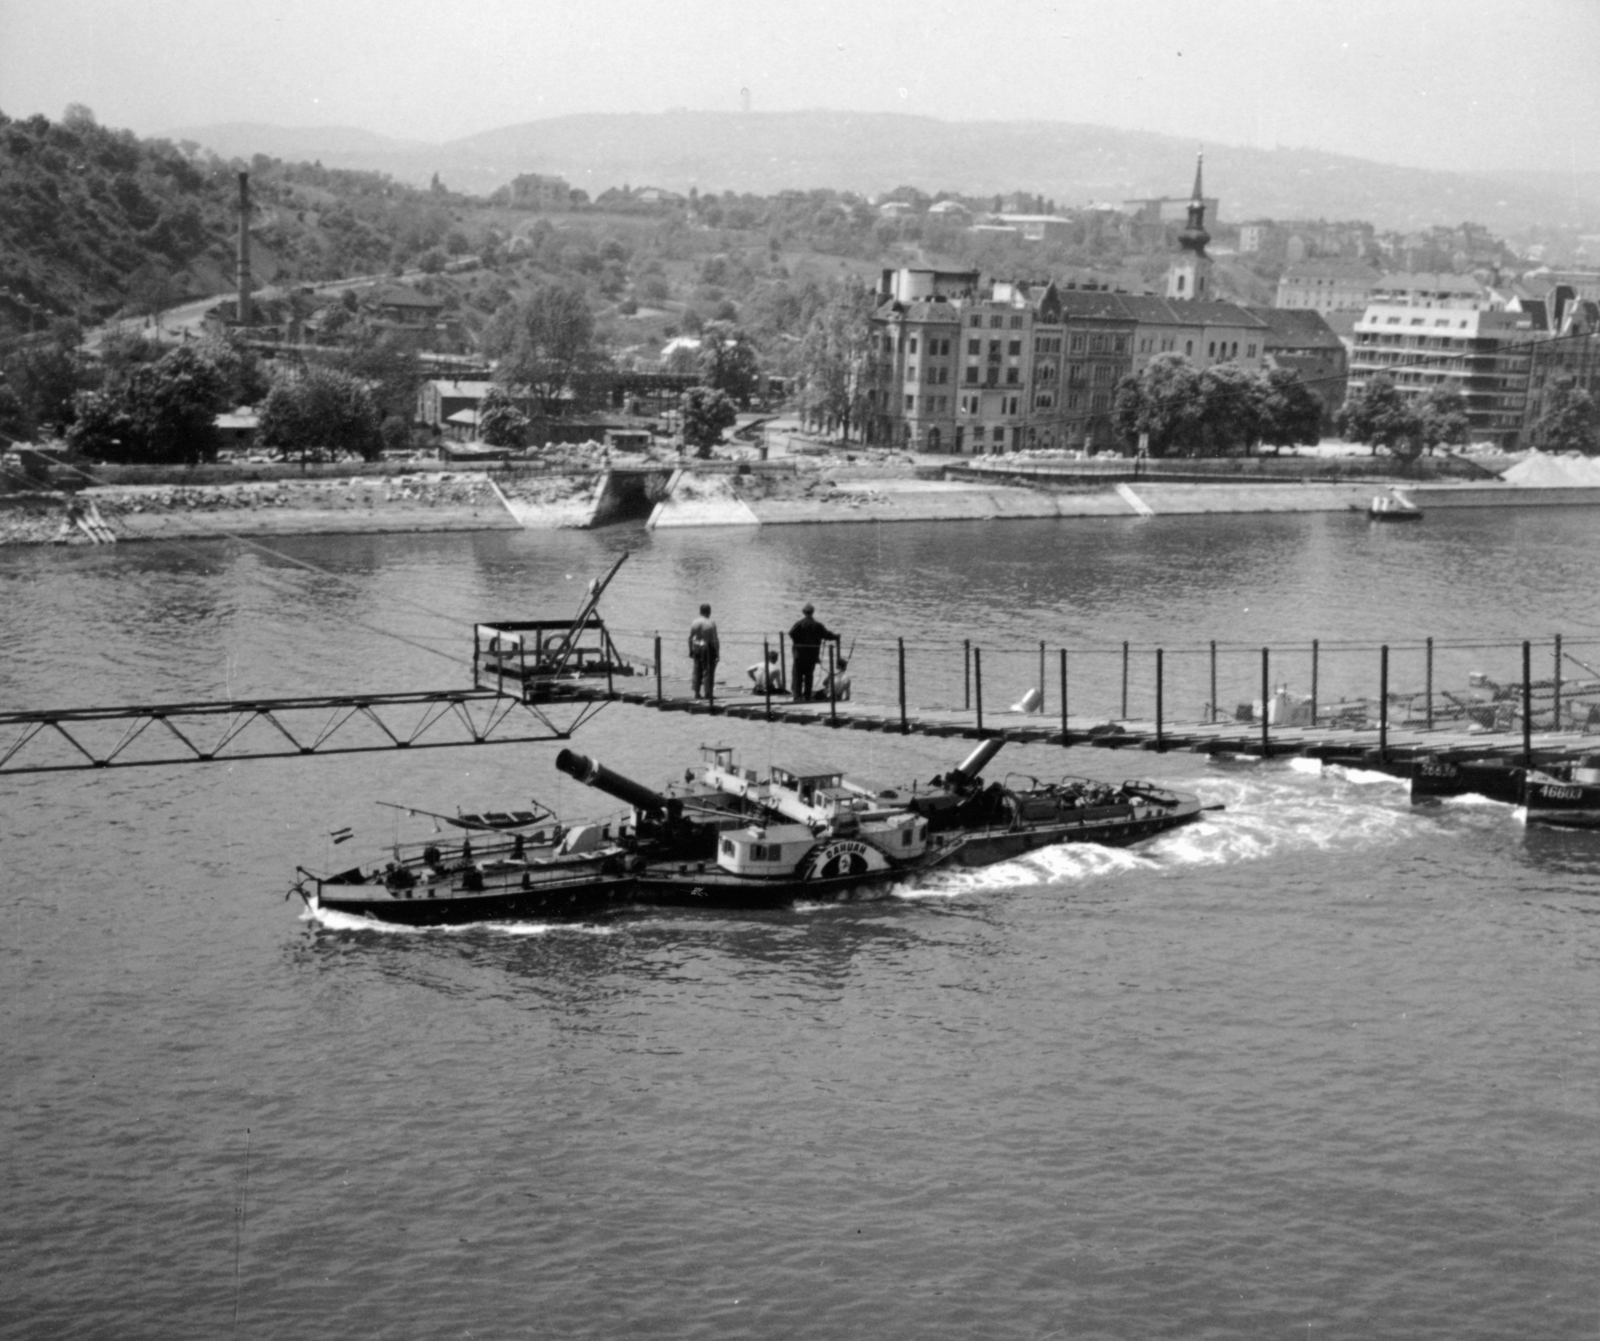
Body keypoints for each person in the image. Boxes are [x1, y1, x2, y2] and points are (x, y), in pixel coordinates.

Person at [788, 602, 840, 702]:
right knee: (808, 676)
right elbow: (827, 635)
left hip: (799, 655)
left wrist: (798, 642)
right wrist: (836, 637)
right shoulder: (817, 625)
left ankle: (797, 697)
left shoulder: (799, 624)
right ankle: (807, 696)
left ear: (804, 612)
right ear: (812, 612)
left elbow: (791, 633)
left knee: (797, 675)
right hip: (811, 656)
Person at [688, 603, 720, 699]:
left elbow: (690, 638)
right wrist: (717, 652)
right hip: (707, 647)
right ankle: (708, 693)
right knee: (708, 670)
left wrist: (690, 650)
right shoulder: (711, 623)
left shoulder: (695, 622)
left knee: (697, 670)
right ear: (709, 612)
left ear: (700, 611)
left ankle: (697, 693)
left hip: (697, 646)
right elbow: (715, 639)